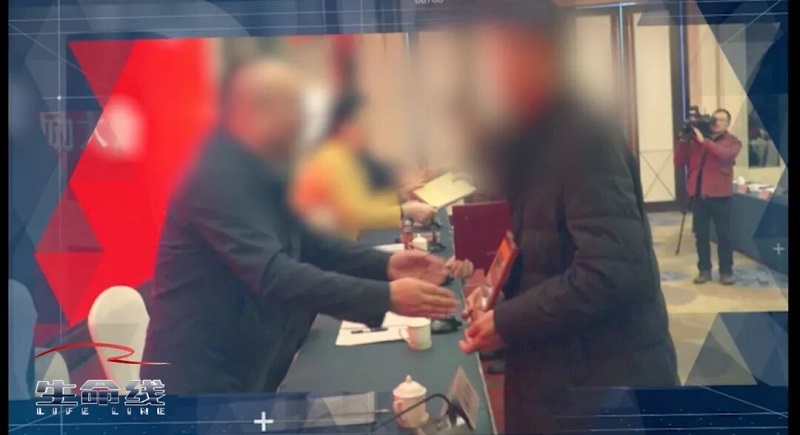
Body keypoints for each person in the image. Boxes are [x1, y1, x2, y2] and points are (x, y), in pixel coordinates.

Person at [141, 60, 464, 394]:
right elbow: (272, 273)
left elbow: (309, 245)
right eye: (290, 110)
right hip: (199, 381)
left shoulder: (262, 167)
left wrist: (387, 266)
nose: (299, 122)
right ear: (249, 112)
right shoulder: (217, 177)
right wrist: (386, 297)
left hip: (245, 364)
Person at [456, 2, 679, 433]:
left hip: (601, 384)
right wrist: (497, 295)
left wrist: (508, 320)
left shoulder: (582, 138)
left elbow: (609, 272)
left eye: (508, 56)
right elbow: (542, 248)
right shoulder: (539, 136)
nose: (498, 74)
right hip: (561, 371)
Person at [291, 91, 437, 239]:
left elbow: (362, 203)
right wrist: (405, 210)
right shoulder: (333, 159)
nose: (367, 132)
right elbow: (356, 214)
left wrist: (400, 196)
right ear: (345, 126)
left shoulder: (342, 155)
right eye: (362, 124)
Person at [675, 109, 742, 285]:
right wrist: (683, 141)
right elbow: (679, 161)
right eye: (714, 119)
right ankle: (704, 270)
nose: (716, 122)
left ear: (728, 124)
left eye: (721, 120)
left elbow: (725, 155)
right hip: (699, 196)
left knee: (724, 236)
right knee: (701, 236)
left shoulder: (733, 141)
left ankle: (726, 271)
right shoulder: (697, 141)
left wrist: (704, 142)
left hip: (721, 197)